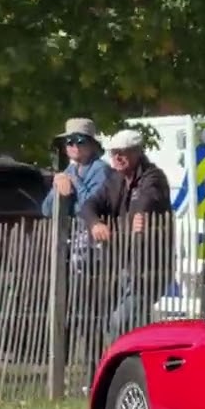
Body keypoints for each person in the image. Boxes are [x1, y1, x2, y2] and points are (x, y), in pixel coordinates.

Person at [82, 129, 174, 341]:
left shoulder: (153, 177)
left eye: (123, 153)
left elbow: (147, 199)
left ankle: (120, 367)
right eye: (114, 153)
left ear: (137, 153)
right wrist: (95, 223)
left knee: (121, 321)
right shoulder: (114, 180)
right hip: (119, 265)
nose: (117, 158)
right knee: (114, 321)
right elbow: (89, 205)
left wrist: (139, 215)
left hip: (149, 268)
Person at [42, 118, 114, 235]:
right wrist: (56, 188)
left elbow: (94, 207)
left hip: (95, 236)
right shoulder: (68, 171)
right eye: (69, 141)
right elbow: (46, 211)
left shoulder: (101, 169)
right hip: (71, 239)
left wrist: (75, 182)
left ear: (92, 145)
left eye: (80, 141)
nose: (74, 145)